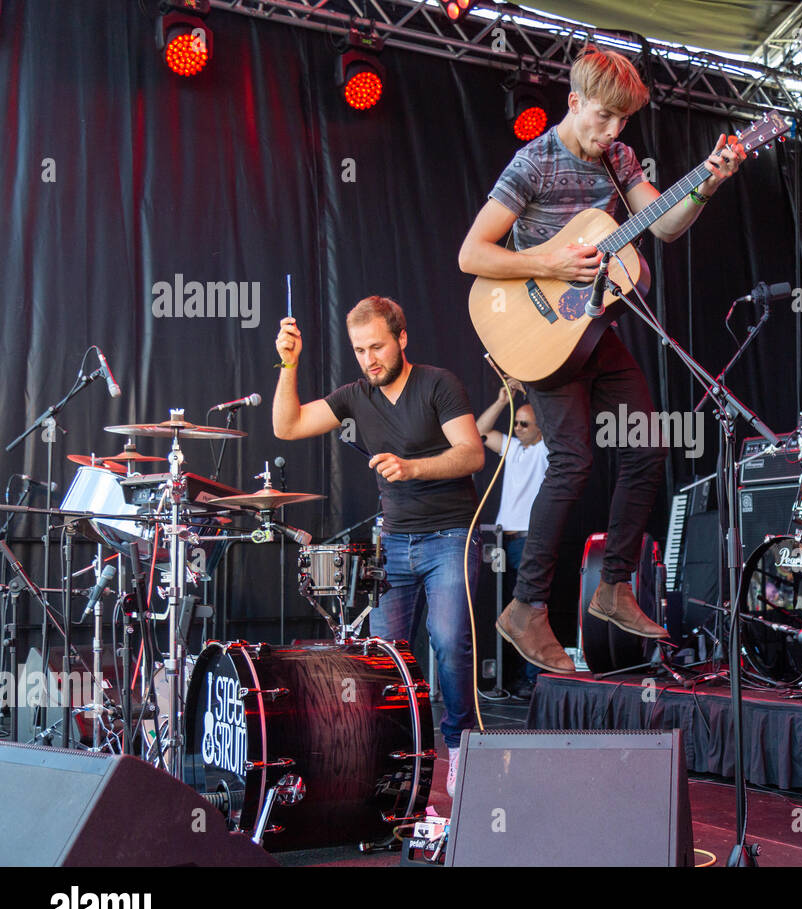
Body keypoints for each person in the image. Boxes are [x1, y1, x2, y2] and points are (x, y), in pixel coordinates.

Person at [458, 45, 745, 674]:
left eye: (623, 121)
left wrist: (707, 182)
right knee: (574, 461)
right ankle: (525, 607)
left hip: (594, 327)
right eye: (604, 117)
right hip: (542, 332)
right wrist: (549, 263)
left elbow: (663, 226)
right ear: (573, 101)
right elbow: (472, 254)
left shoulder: (617, 158)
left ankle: (614, 588)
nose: (614, 131)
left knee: (647, 445)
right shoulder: (531, 163)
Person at [271, 296, 484, 798]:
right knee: (386, 657)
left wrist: (412, 468)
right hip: (394, 543)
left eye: (378, 346)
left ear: (402, 339)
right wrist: (288, 364)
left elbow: (472, 453)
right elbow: (287, 426)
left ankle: (461, 749)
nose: (370, 359)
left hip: (451, 536)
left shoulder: (439, 384)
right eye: (360, 349)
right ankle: (401, 757)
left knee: (451, 644)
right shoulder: (355, 395)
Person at [477, 379, 548, 697]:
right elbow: (478, 432)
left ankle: (534, 679)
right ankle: (515, 678)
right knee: (508, 610)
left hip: (530, 540)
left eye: (524, 424)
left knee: (530, 606)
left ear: (540, 427)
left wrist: (529, 391)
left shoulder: (546, 450)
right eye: (515, 423)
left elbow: (551, 418)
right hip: (503, 541)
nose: (517, 428)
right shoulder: (514, 447)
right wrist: (502, 401)